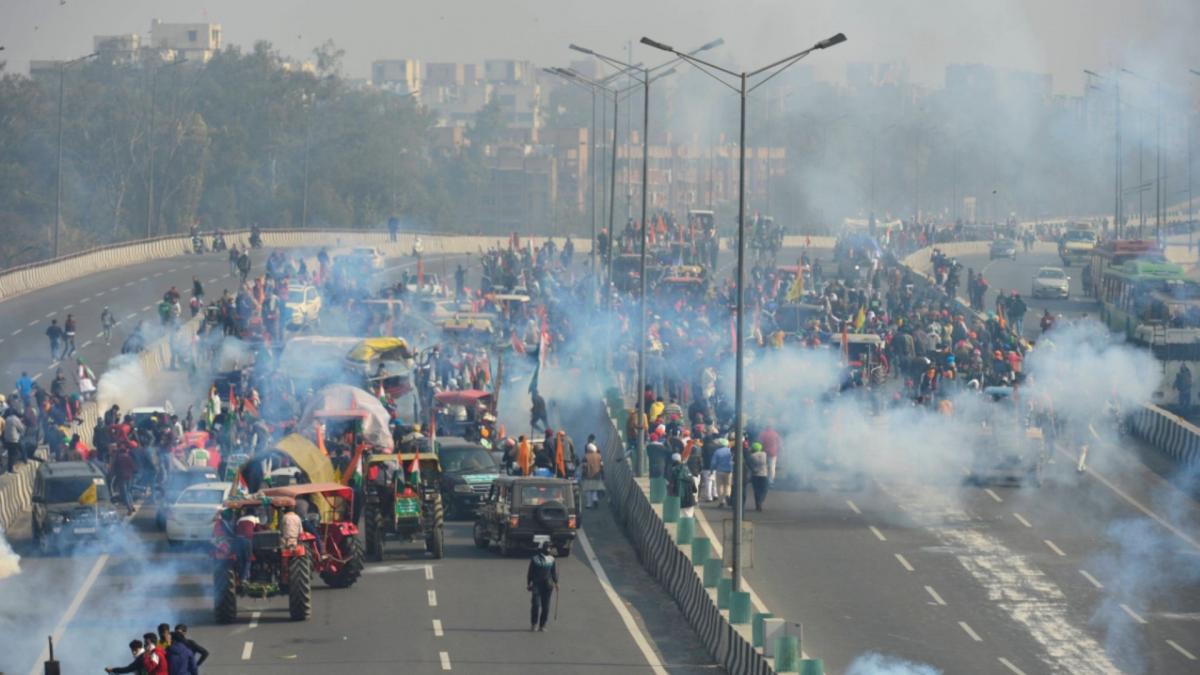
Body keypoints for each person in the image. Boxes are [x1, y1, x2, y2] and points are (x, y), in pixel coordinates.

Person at [526, 540, 558, 632]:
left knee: (546, 606)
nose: (550, 550)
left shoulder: (552, 559)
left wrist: (556, 583)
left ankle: (542, 625)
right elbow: (530, 573)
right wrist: (528, 583)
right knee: (536, 605)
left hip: (548, 586)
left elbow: (553, 573)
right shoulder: (535, 559)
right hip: (536, 585)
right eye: (548, 548)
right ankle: (534, 624)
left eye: (550, 548)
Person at [580, 434, 604, 508]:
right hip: (597, 474)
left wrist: (582, 474)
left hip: (588, 474)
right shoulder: (599, 456)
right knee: (595, 488)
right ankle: (595, 498)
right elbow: (602, 465)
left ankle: (589, 504)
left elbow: (584, 466)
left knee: (588, 490)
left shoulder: (585, 457)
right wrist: (602, 474)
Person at [747, 443, 770, 511]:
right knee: (764, 489)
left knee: (756, 491)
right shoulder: (764, 454)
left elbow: (749, 464)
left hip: (755, 475)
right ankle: (761, 500)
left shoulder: (751, 456)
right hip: (764, 475)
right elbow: (768, 462)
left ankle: (758, 504)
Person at [712, 439, 733, 507]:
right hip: (729, 471)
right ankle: (727, 495)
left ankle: (721, 501)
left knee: (720, 486)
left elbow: (713, 463)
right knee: (728, 485)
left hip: (720, 471)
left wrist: (712, 469)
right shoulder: (730, 451)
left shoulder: (717, 451)